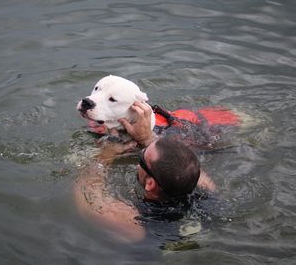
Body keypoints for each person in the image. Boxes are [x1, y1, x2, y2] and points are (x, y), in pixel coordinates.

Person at [74, 101, 215, 243]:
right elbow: (189, 165)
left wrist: (107, 153)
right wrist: (147, 138)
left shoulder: (135, 222)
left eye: (142, 156)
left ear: (150, 184)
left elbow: (88, 195)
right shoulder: (207, 195)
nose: (139, 156)